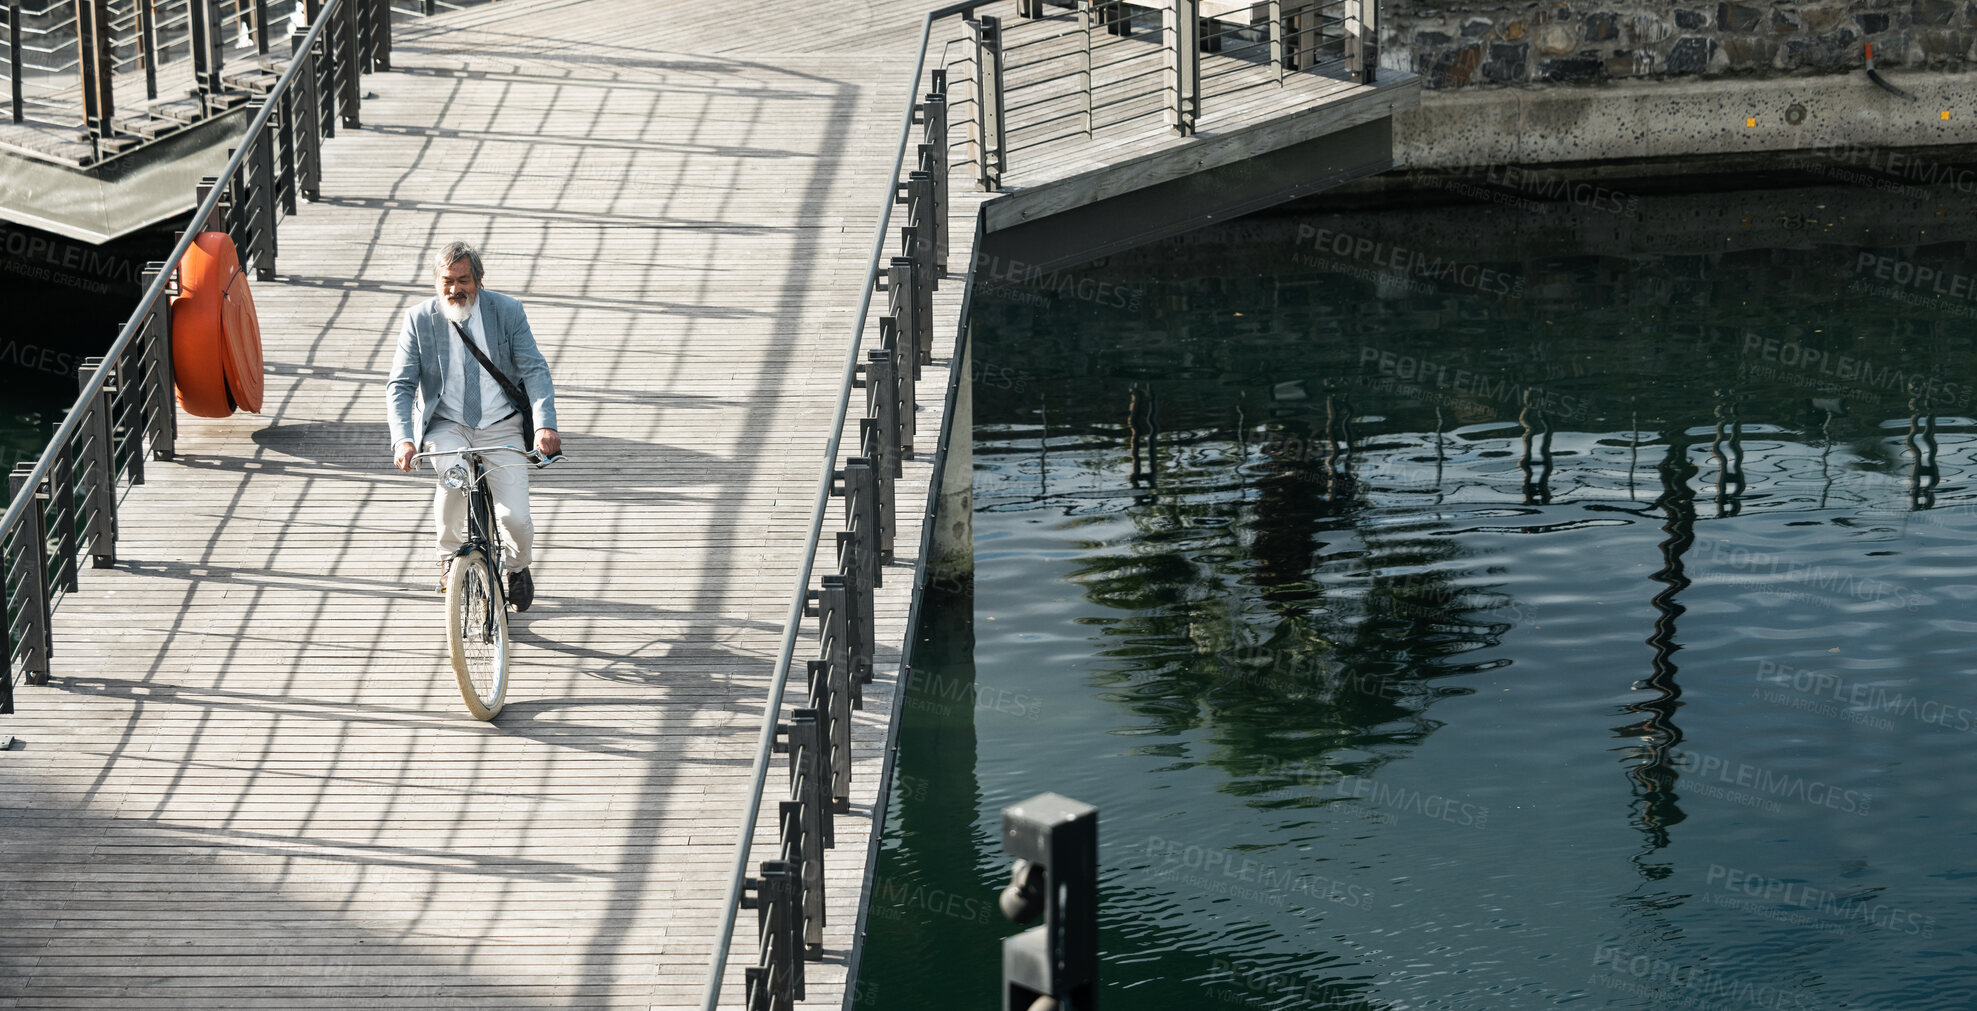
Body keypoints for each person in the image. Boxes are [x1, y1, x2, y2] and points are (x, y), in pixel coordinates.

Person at [387, 241, 560, 610]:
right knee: (452, 479)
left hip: (500, 425)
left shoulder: (507, 311)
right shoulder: (419, 319)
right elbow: (400, 386)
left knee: (514, 517)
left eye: (463, 280)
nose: (455, 289)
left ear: (478, 280)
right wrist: (403, 439)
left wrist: (545, 425)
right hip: (447, 425)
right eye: (447, 280)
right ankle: (450, 559)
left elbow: (535, 369)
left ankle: (516, 567)